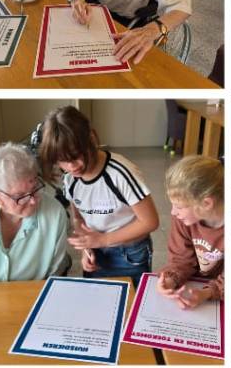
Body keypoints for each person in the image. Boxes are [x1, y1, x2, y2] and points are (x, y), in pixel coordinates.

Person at [39, 106, 159, 282]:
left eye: (76, 156)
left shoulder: (120, 173)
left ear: (91, 139)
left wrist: (103, 240)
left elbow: (150, 221)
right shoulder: (70, 179)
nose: (72, 167)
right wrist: (86, 249)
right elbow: (78, 218)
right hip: (96, 251)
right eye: (62, 161)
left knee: (131, 297)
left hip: (130, 254)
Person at [0, 143, 68, 284]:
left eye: (35, 188)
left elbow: (54, 276)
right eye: (20, 196)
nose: (33, 201)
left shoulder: (55, 214)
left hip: (31, 295)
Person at [157, 155, 224, 310]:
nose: (173, 212)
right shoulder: (183, 219)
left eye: (179, 206)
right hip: (192, 283)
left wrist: (208, 293)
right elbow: (180, 259)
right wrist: (169, 280)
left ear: (206, 203)